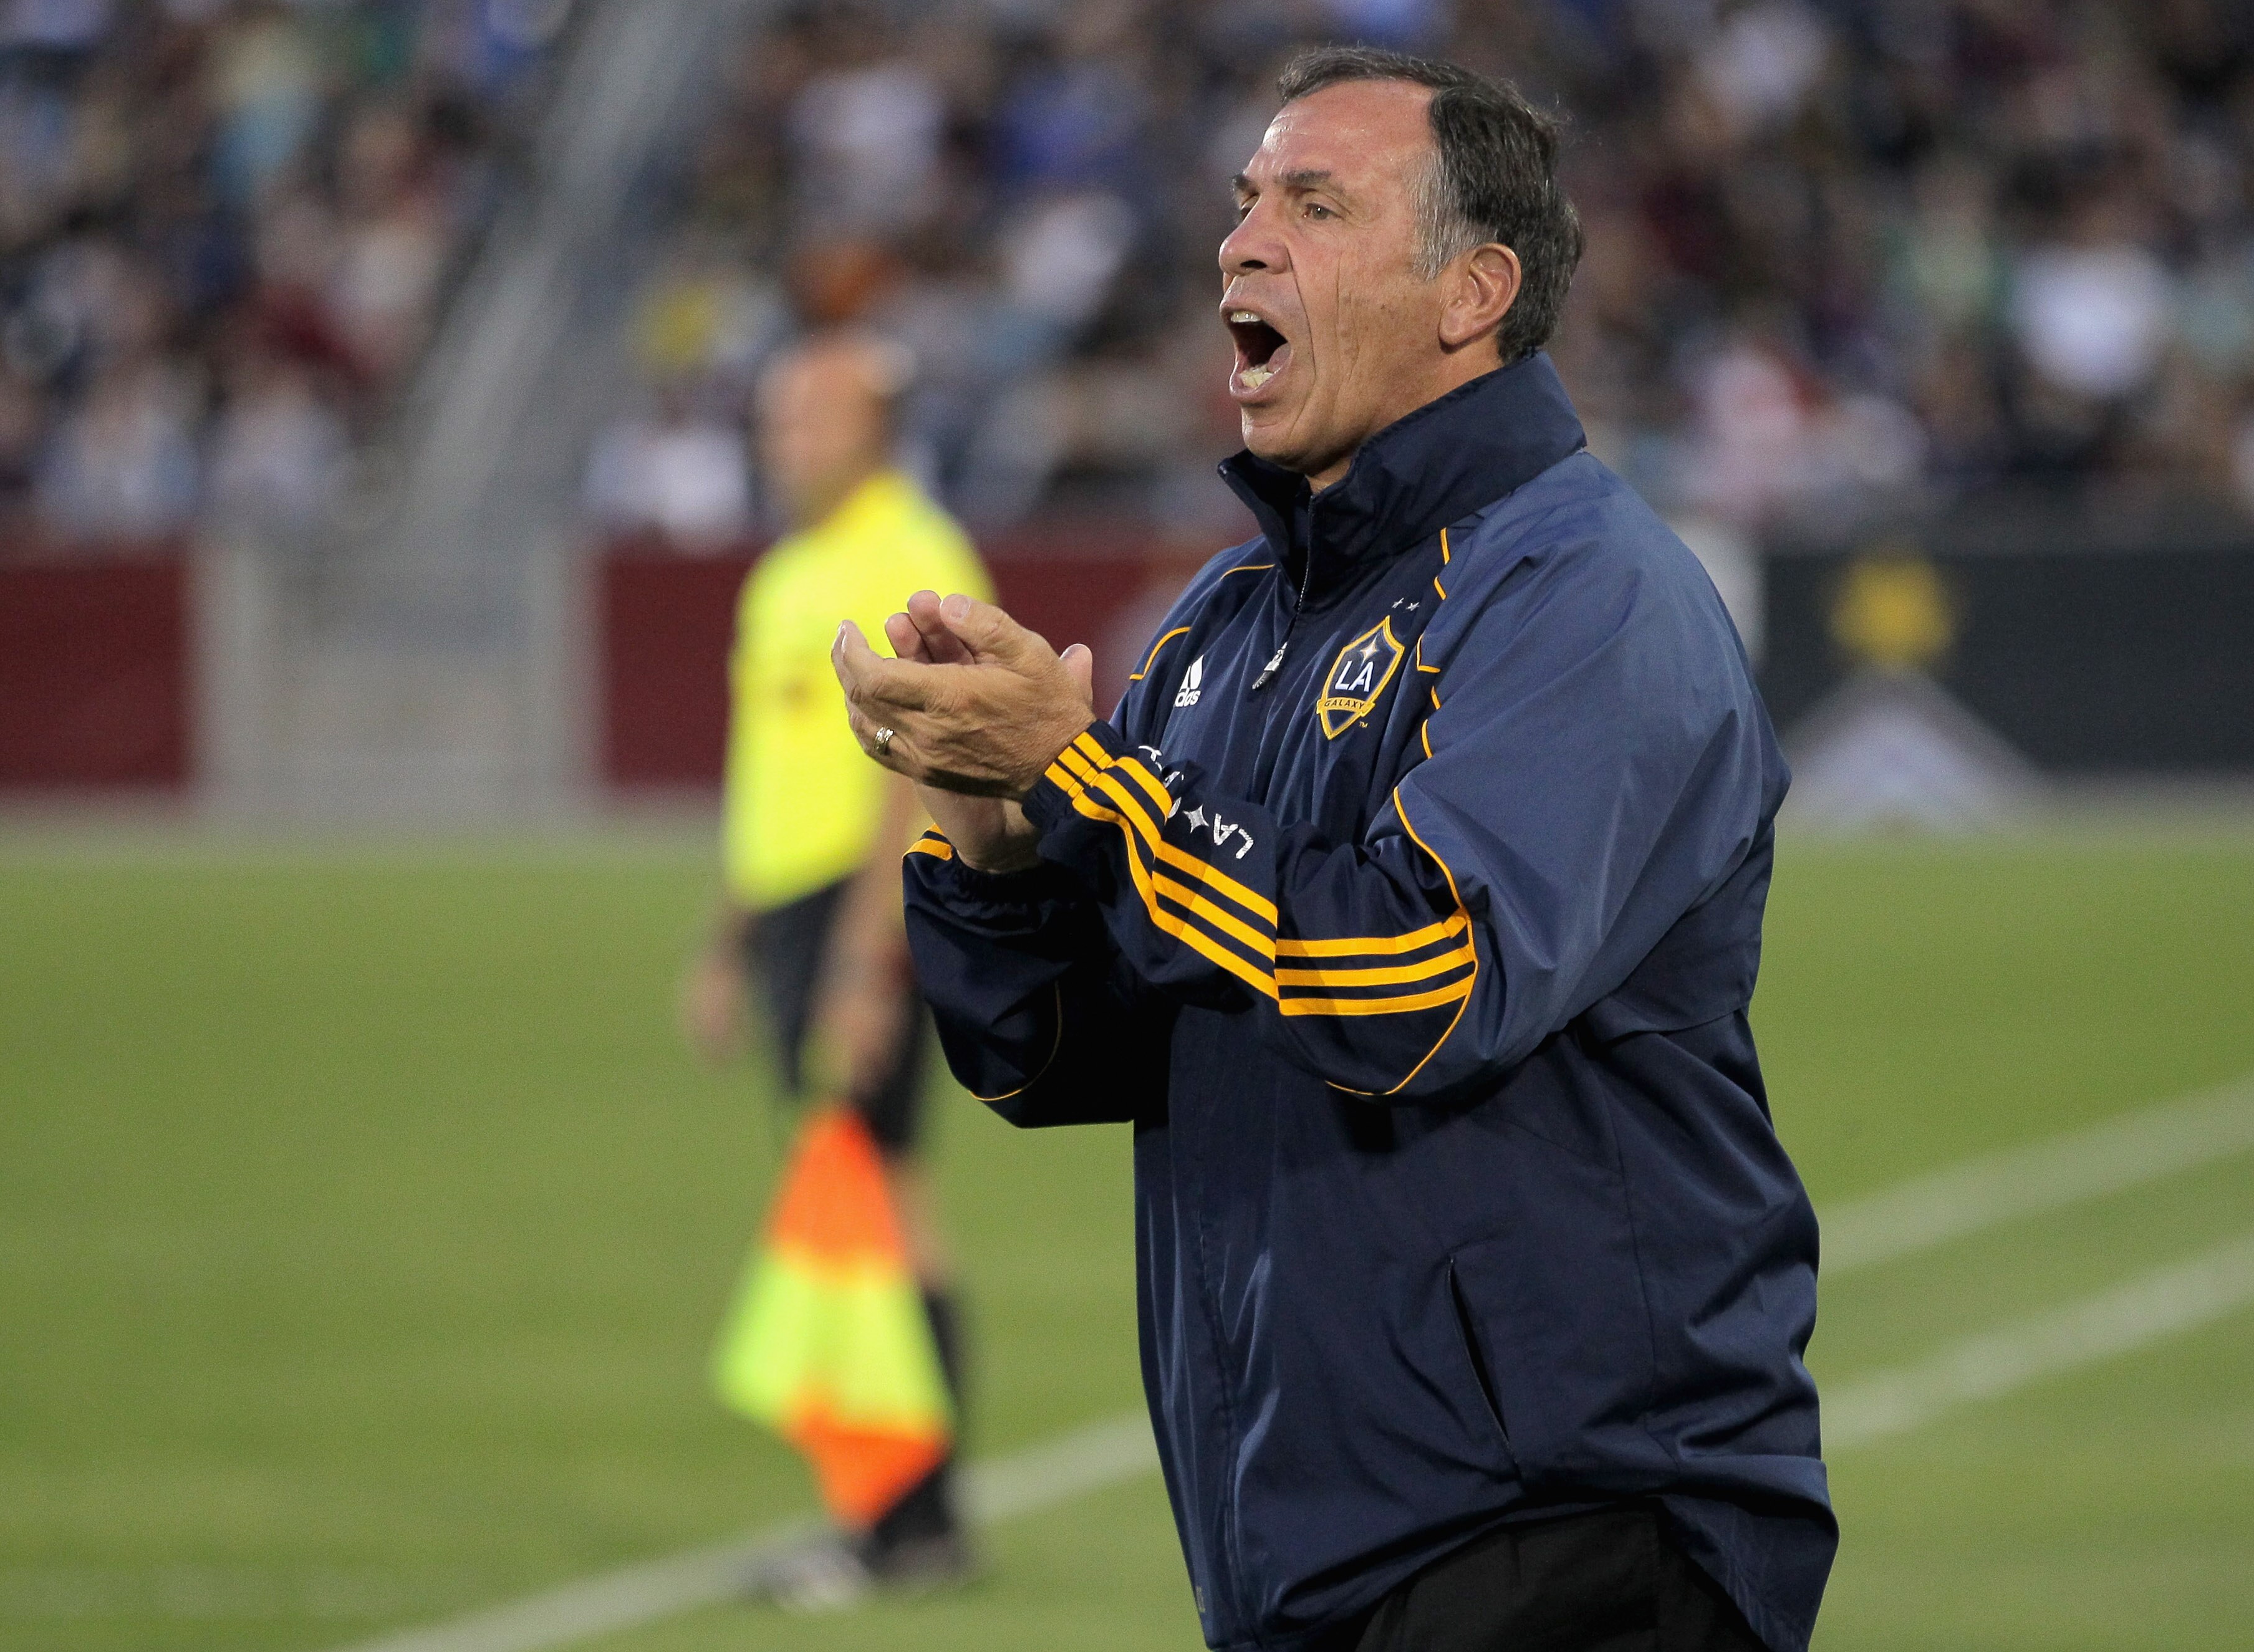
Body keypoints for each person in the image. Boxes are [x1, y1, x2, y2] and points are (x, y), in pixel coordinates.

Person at [832, 47, 1834, 1652]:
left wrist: (1081, 776)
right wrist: (990, 825)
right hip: (1307, 1538)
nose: (1239, 241)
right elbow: (1057, 1053)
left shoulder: (1584, 590)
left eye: (1314, 202)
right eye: (1241, 202)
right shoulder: (1226, 621)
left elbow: (1406, 976)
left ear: (1471, 291)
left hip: (1570, 1528)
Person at [680, 329, 988, 1596]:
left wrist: (867, 961)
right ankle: (909, 1518)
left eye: (809, 417)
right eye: (776, 417)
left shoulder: (908, 557)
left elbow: (913, 779)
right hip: (796, 921)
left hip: (866, 921)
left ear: (871, 427)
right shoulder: (788, 573)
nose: (783, 438)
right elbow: (773, 779)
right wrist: (727, 942)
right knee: (864, 1198)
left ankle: (897, 1521)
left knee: (870, 1204)